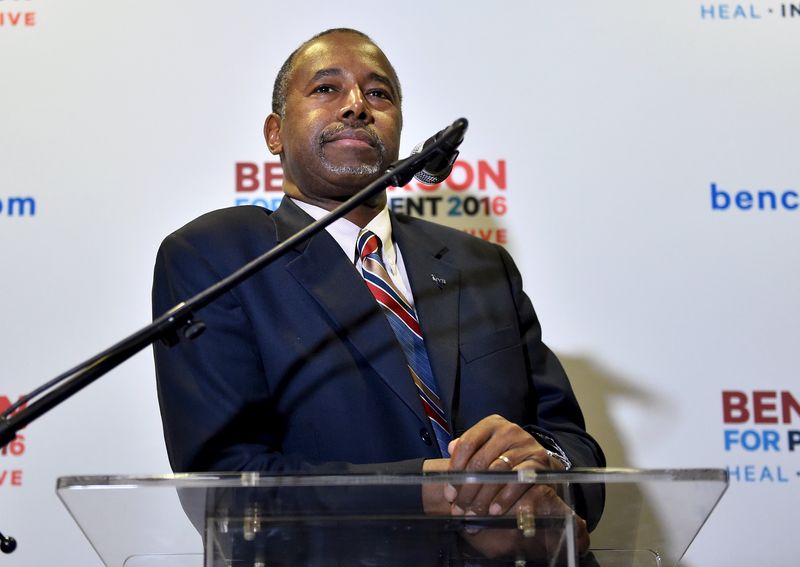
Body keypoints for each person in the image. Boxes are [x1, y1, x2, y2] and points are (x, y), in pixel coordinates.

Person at [152, 28, 605, 547]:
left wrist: (543, 464)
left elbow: (580, 455)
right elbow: (226, 491)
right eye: (326, 89)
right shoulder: (217, 257)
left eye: (379, 93)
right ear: (274, 133)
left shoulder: (481, 265)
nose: (356, 106)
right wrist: (429, 492)